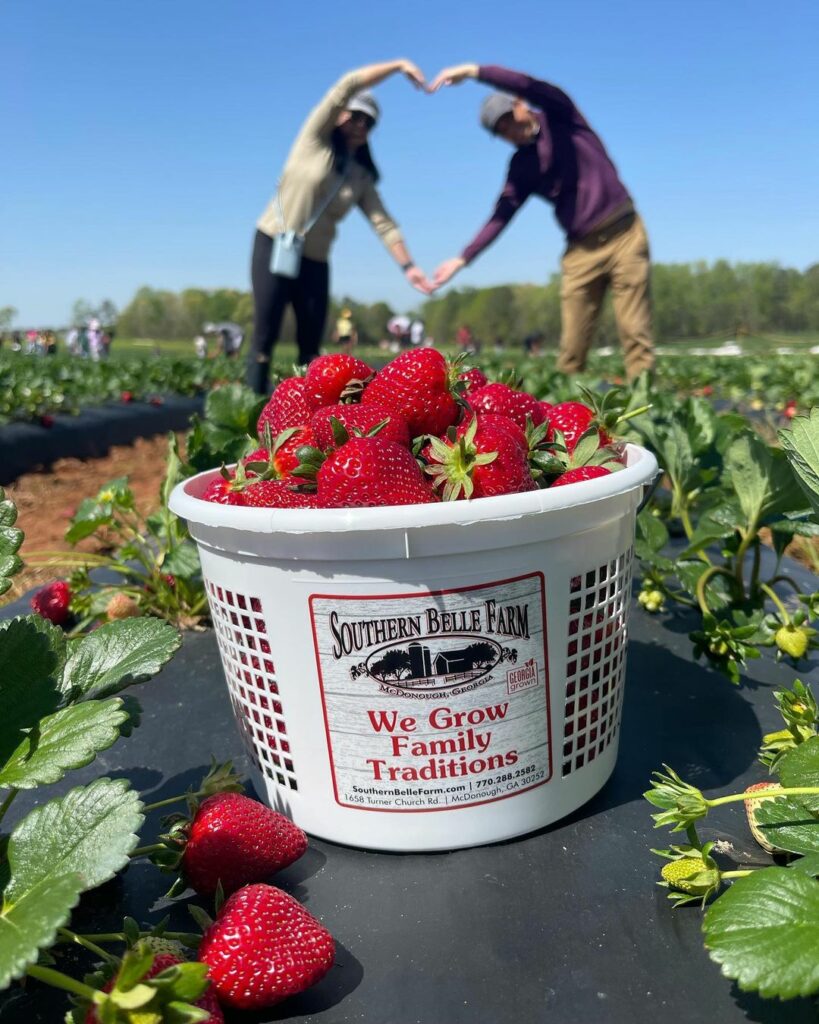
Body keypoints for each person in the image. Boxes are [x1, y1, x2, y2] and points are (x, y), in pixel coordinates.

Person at [429, 64, 655, 380]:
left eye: (509, 119)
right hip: (580, 251)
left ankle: (645, 403)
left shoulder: (562, 116)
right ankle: (566, 414)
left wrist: (475, 72)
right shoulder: (522, 166)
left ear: (520, 104)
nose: (509, 130)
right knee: (572, 347)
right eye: (501, 130)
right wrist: (462, 258)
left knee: (634, 331)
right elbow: (501, 214)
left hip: (624, 234)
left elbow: (530, 84)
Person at [248, 60, 434, 394]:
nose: (360, 125)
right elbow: (345, 86)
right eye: (355, 115)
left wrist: (409, 267)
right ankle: (253, 402)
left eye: (368, 122)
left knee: (311, 341)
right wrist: (398, 67)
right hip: (274, 243)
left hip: (315, 260)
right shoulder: (312, 142)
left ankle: (307, 413)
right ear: (339, 115)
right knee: (266, 330)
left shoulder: (360, 177)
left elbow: (384, 224)